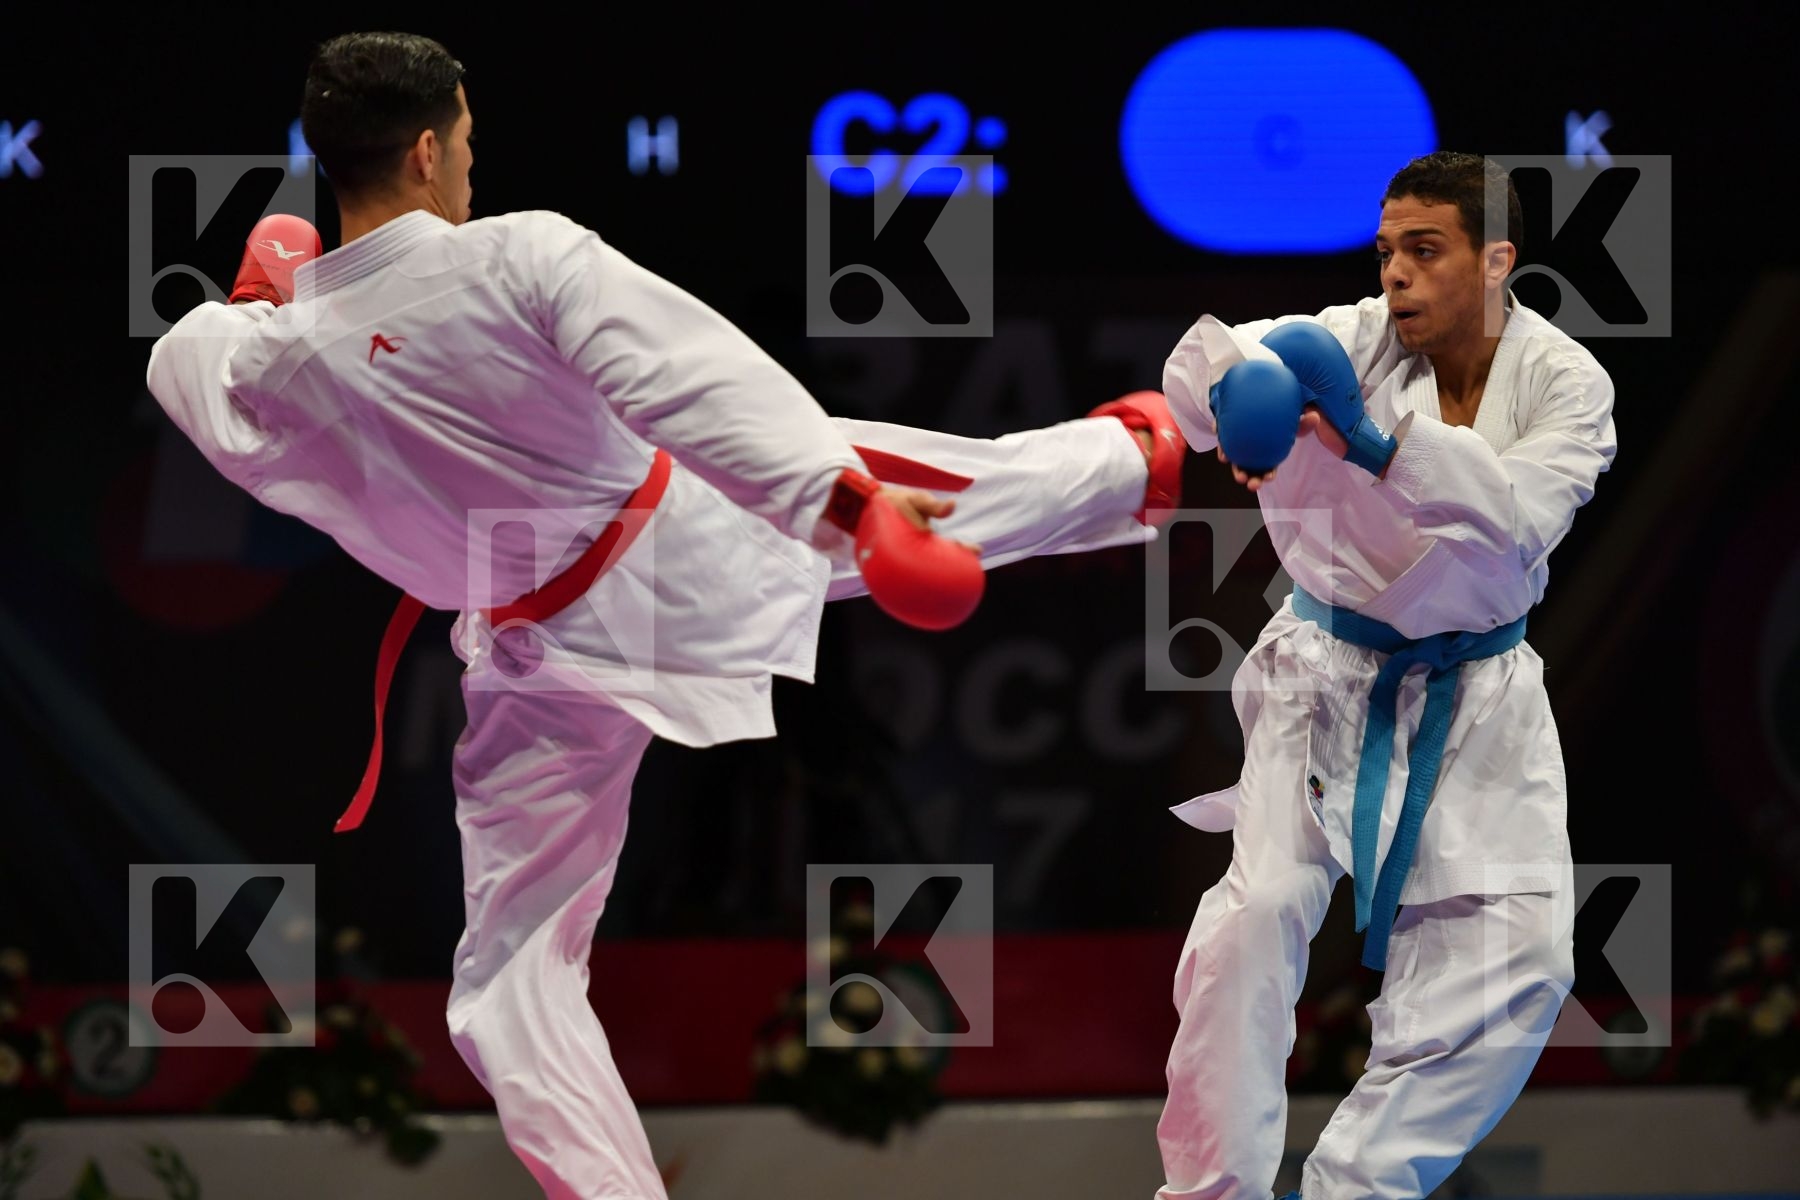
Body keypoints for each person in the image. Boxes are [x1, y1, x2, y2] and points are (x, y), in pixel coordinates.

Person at [144, 31, 1185, 1200]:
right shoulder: (517, 256)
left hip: (533, 651)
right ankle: (1144, 459)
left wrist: (259, 291)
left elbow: (183, 358)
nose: (474, 165)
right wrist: (846, 511)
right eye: (470, 141)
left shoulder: (267, 362)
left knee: (510, 981)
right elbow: (690, 382)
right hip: (663, 557)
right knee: (930, 484)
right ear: (429, 149)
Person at [1153, 150, 1617, 1199]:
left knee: (1522, 966)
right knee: (1259, 916)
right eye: (1385, 251)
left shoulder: (1565, 382)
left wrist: (1372, 444)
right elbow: (1202, 374)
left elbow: (1514, 525)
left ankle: (1356, 1188)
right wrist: (1236, 397)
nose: (1396, 274)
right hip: (1324, 673)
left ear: (1496, 261)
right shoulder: (1348, 338)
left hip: (1476, 695)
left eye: (1425, 250)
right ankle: (1211, 1192)